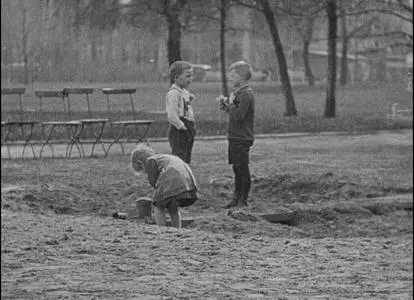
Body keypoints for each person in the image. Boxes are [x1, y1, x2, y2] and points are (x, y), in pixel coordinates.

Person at [131, 144, 198, 228]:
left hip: (173, 178)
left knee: (157, 205)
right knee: (172, 206)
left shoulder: (150, 161)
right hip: (187, 182)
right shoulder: (164, 157)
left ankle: (161, 229)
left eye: (143, 171)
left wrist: (157, 195)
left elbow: (153, 181)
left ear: (140, 163)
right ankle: (177, 228)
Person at [218, 61, 255, 209]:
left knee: (242, 168)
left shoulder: (246, 95)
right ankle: (236, 197)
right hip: (234, 137)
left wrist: (231, 105)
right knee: (236, 168)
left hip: (242, 138)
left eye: (233, 76)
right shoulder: (240, 94)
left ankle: (243, 200)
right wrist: (227, 107)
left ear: (242, 77)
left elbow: (239, 116)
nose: (230, 78)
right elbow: (235, 114)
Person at [165, 60, 196, 164]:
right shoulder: (173, 93)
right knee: (179, 157)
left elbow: (186, 107)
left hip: (188, 125)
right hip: (179, 129)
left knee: (186, 157)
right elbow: (172, 115)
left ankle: (185, 177)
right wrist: (182, 126)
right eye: (187, 76)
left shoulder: (184, 92)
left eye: (191, 76)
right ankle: (178, 177)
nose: (190, 79)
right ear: (176, 77)